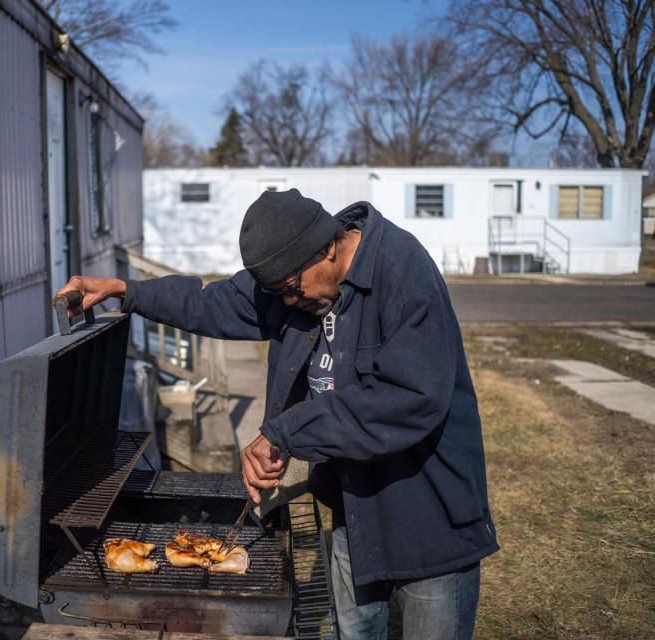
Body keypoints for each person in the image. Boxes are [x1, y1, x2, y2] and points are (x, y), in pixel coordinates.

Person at [57, 189, 498, 640]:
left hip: (428, 509)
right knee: (355, 632)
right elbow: (215, 303)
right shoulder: (296, 272)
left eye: (290, 289)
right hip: (357, 504)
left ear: (328, 247)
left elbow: (408, 397)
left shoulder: (403, 272)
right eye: (276, 293)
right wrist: (124, 291)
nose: (286, 303)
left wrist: (287, 432)